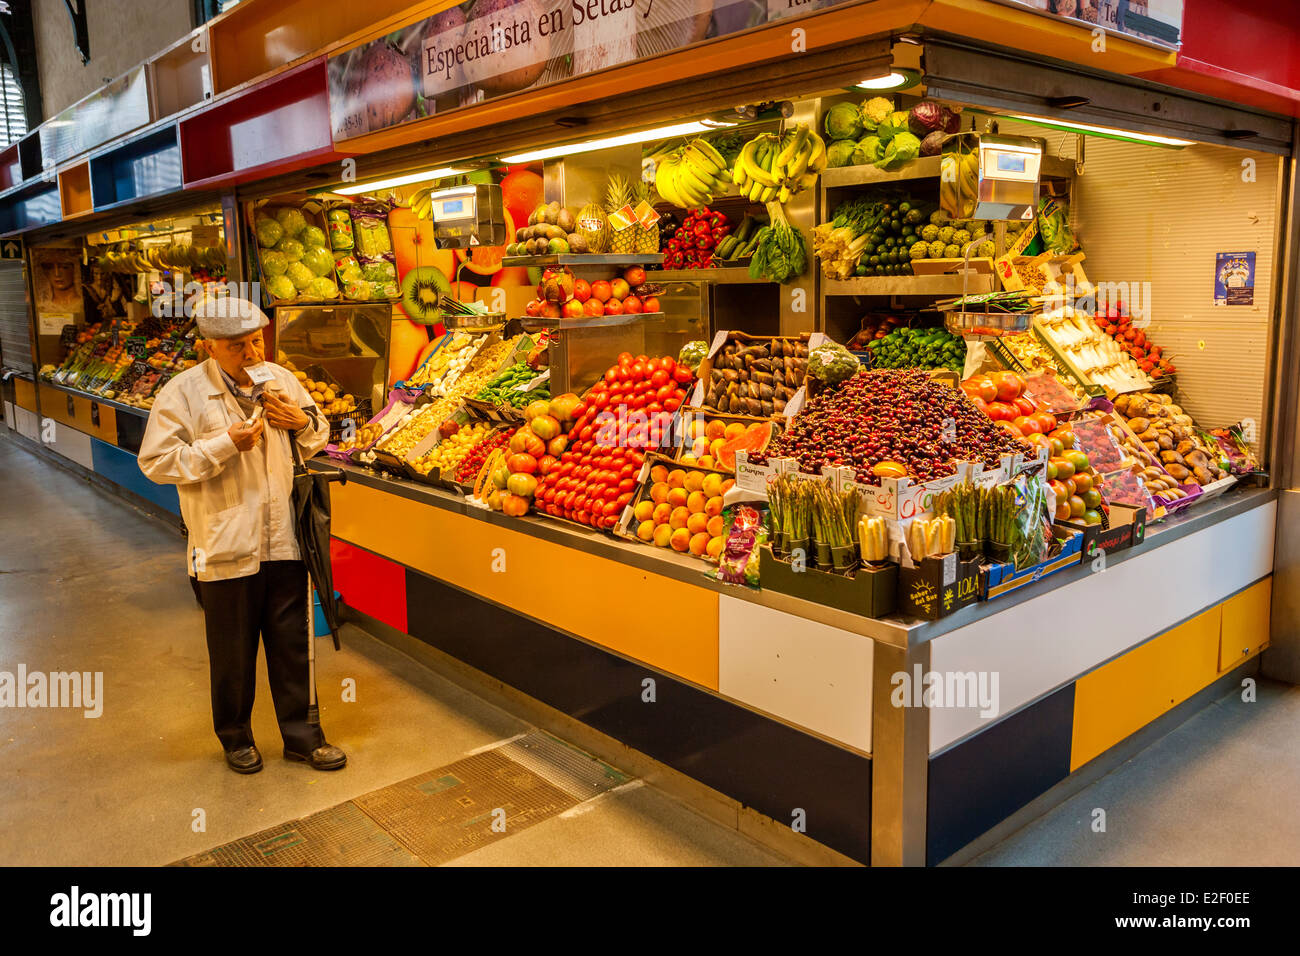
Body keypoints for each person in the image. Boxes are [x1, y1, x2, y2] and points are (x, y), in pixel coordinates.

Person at [138, 295, 346, 775]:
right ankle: (235, 737)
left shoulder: (281, 378)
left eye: (256, 340)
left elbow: (316, 431)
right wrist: (223, 445)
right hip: (225, 542)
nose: (252, 353)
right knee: (232, 650)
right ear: (209, 347)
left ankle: (303, 737)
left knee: (294, 644)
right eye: (237, 346)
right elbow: (156, 462)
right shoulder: (182, 393)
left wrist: (303, 423)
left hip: (285, 538)